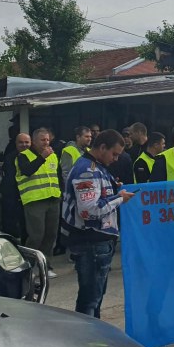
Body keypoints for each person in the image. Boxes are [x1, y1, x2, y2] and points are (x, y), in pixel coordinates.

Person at [62, 129, 135, 318]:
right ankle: (88, 340)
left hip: (96, 240)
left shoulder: (96, 167)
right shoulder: (88, 171)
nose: (116, 159)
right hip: (91, 241)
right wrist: (119, 198)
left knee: (95, 296)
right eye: (114, 154)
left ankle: (92, 336)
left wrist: (112, 190)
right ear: (102, 147)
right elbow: (90, 210)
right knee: (91, 298)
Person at [16, 128, 61, 276]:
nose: (46, 143)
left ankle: (45, 267)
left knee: (51, 235)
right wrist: (42, 157)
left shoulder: (53, 156)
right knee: (36, 236)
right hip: (34, 201)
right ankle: (28, 266)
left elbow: (58, 176)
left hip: (53, 199)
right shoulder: (23, 156)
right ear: (34, 142)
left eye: (48, 140)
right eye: (43, 140)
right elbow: (28, 171)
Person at [0, 132, 31, 239]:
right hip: (12, 196)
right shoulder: (10, 158)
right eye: (21, 142)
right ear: (16, 144)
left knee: (27, 226)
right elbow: (8, 178)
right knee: (10, 224)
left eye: (27, 142)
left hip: (29, 196)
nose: (24, 145)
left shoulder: (36, 157)